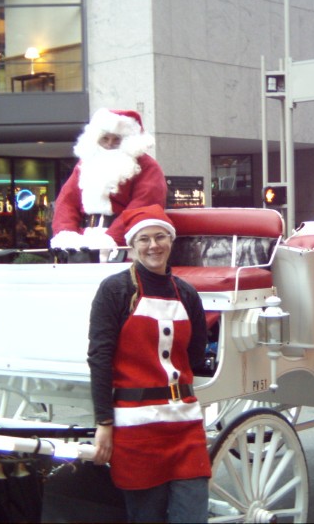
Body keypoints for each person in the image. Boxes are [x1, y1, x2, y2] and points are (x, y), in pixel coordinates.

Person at [88, 204, 211, 523]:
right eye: (144, 239)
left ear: (171, 241)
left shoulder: (187, 294)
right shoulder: (115, 290)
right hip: (136, 431)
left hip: (185, 426)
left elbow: (195, 355)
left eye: (160, 237)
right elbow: (99, 358)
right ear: (132, 245)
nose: (153, 245)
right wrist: (104, 422)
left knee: (192, 516)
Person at [50, 108, 167, 253]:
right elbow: (67, 201)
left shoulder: (148, 167)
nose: (110, 144)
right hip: (82, 242)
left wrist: (113, 238)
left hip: (125, 244)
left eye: (117, 139)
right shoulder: (85, 163)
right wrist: (66, 233)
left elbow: (144, 206)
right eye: (105, 138)